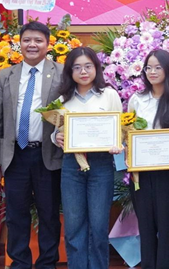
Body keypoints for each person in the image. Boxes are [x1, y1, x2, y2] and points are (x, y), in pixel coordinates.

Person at [0, 21, 63, 269]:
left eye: (38, 40)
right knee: (16, 215)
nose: (32, 45)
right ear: (19, 44)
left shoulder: (61, 72)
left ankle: (47, 264)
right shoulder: (5, 75)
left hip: (47, 154)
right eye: (27, 40)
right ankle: (19, 264)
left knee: (49, 214)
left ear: (48, 45)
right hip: (15, 156)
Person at [53, 47, 123, 269]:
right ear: (70, 71)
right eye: (77, 67)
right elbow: (56, 131)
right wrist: (57, 137)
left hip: (101, 165)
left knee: (99, 226)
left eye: (88, 66)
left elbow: (120, 130)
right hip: (71, 166)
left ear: (96, 68)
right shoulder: (63, 99)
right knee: (74, 225)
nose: (83, 72)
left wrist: (117, 144)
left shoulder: (109, 95)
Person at [127, 49, 169, 269]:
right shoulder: (137, 100)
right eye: (148, 67)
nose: (152, 72)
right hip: (141, 173)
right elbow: (128, 134)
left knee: (167, 225)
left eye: (158, 67)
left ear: (168, 70)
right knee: (146, 225)